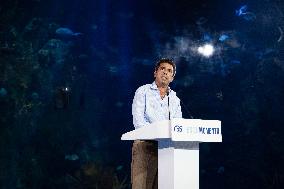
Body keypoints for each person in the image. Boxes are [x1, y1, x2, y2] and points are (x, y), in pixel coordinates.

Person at [131, 58, 182, 189]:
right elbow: (138, 122)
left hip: (167, 148)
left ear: (172, 78)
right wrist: (157, 134)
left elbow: (178, 125)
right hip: (145, 144)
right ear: (155, 73)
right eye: (162, 69)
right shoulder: (143, 91)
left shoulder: (175, 99)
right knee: (141, 186)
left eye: (169, 71)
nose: (165, 72)